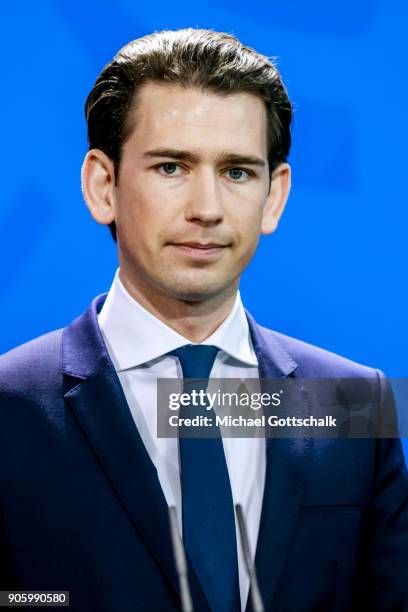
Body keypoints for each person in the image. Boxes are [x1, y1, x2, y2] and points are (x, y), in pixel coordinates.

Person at [0, 28, 407, 612]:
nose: (207, 209)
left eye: (238, 171)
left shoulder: (352, 402)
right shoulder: (9, 407)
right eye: (171, 167)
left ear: (275, 195)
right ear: (103, 185)